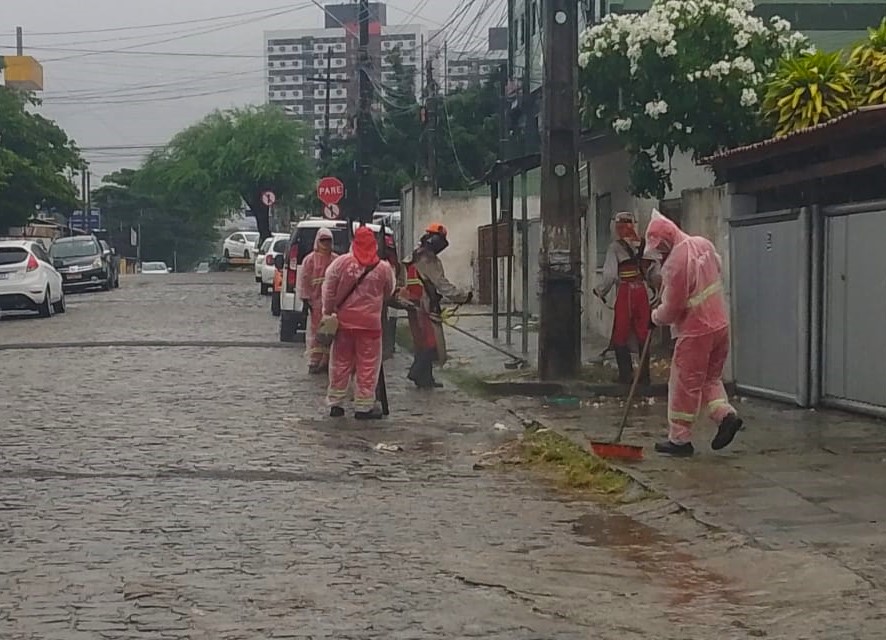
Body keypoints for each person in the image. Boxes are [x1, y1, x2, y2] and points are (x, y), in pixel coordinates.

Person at [645, 209, 743, 457]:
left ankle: (680, 440)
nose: (660, 253)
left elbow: (672, 309)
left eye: (660, 248)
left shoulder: (675, 264)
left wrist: (654, 317)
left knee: (684, 384)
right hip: (719, 324)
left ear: (665, 242)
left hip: (695, 331)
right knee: (710, 378)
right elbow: (717, 267)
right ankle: (726, 415)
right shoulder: (702, 244)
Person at [322, 226, 396, 420]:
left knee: (340, 362)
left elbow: (328, 289)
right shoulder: (383, 268)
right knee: (368, 365)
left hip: (344, 324)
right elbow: (389, 292)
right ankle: (363, 406)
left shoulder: (340, 264)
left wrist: (327, 312)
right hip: (370, 326)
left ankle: (336, 404)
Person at [400, 223, 471, 389]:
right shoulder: (428, 259)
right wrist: (462, 296)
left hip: (414, 304)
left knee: (422, 343)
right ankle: (417, 373)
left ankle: (426, 379)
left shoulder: (415, 255)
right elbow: (441, 284)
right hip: (424, 306)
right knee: (431, 344)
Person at [593, 212, 658, 385]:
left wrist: (601, 291)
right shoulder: (645, 245)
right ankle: (644, 377)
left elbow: (609, 275)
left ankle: (626, 376)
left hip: (626, 292)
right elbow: (654, 272)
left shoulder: (615, 248)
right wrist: (655, 291)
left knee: (620, 334)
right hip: (642, 292)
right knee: (643, 333)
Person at [297, 228, 338, 374]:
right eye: (323, 240)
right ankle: (315, 360)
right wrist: (306, 300)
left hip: (332, 304)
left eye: (328, 240)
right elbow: (305, 280)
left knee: (332, 332)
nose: (325, 244)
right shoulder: (310, 259)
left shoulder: (336, 260)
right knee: (317, 332)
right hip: (316, 302)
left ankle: (328, 360)